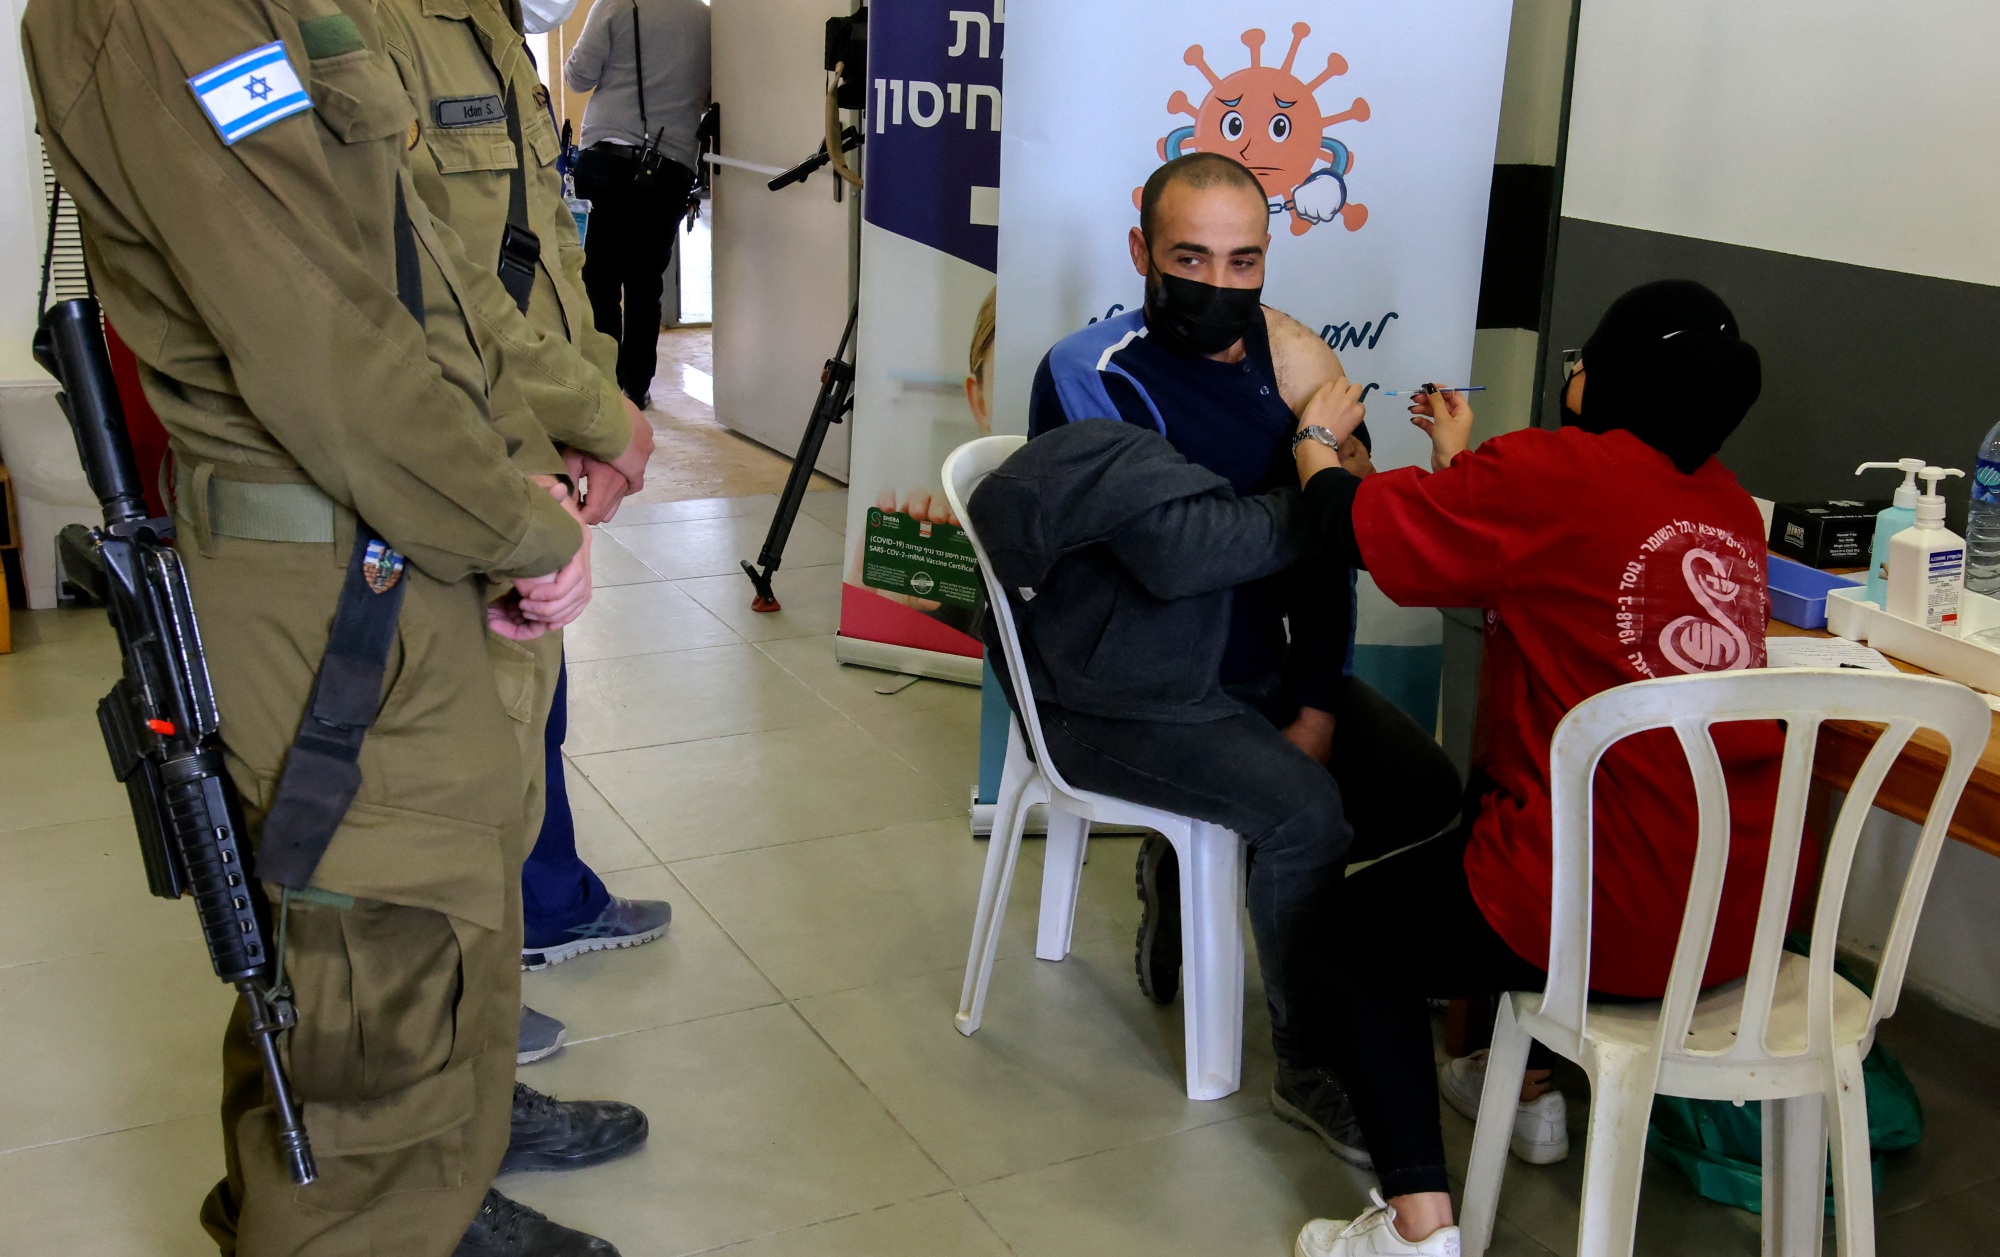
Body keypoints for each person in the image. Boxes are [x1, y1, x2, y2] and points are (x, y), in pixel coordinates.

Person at [22, 3, 614, 1253]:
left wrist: (533, 456)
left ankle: (424, 1200)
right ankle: (358, 1225)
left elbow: (427, 270)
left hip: (404, 539)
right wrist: (516, 528)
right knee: (371, 961)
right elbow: (318, 330)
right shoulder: (162, 13)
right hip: (341, 564)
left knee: (418, 929)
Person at [1283, 281, 1790, 1257]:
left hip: (1608, 912)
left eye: (1579, 362)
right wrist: (1460, 467)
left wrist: (1315, 444)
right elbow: (1553, 560)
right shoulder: (1728, 505)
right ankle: (1524, 1090)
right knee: (1504, 796)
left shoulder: (1554, 471)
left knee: (1343, 933)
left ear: (1605, 377)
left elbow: (1360, 527)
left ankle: (1418, 1228)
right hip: (1733, 915)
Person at [1026, 153, 1461, 1153]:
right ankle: (1308, 1061)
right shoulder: (1089, 372)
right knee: (1303, 814)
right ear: (1141, 253)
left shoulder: (1290, 364)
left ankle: (1215, 896)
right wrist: (1312, 480)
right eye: (1188, 257)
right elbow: (1174, 555)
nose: (1216, 286)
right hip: (1121, 692)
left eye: (1240, 261)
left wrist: (1312, 700)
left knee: (1422, 796)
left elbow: (1333, 553)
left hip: (1252, 677)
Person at [376, 0, 675, 1077]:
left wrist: (589, 404)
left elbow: (546, 248)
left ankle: (529, 930)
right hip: (454, 440)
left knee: (524, 699)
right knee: (456, 745)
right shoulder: (372, 26)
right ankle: (459, 1029)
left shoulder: (492, 32)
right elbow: (428, 290)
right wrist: (591, 422)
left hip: (528, 429)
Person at [564, 0, 712, 407]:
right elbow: (711, 94)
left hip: (607, 159)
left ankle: (604, 385)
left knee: (600, 278)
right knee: (646, 281)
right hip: (671, 164)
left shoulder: (614, 4)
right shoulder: (706, 17)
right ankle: (637, 385)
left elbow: (578, 77)